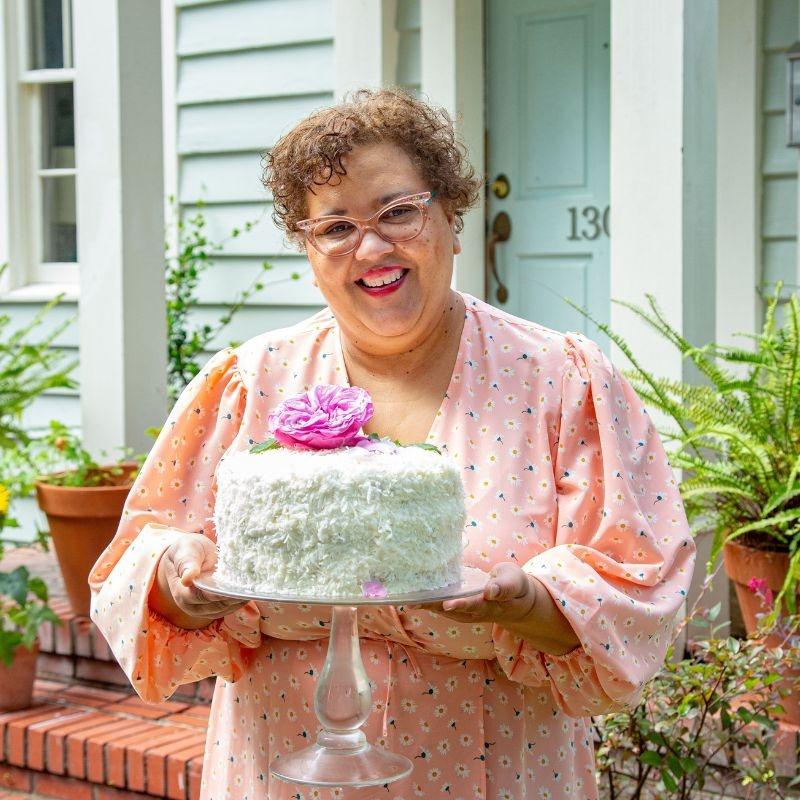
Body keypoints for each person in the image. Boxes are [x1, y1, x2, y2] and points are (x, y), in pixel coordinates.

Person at [90, 88, 696, 800]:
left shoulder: (560, 381)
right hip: (285, 767)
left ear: (452, 218)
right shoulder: (250, 382)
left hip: (493, 768)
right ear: (307, 247)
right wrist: (176, 581)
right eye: (336, 227)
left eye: (398, 212)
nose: (372, 247)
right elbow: (138, 562)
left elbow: (640, 588)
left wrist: (530, 602)